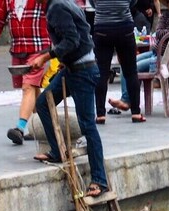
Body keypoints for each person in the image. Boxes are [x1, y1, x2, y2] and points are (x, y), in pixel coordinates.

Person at [30, 0, 110, 198]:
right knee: (43, 103)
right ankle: (57, 151)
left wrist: (46, 57)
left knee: (87, 126)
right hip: (73, 69)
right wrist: (62, 60)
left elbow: (72, 40)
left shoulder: (57, 6)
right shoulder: (63, 4)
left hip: (83, 72)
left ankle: (99, 179)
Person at [109, 0, 169, 115]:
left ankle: (126, 101)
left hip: (166, 58)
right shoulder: (166, 16)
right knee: (127, 63)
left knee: (131, 67)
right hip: (156, 53)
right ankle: (127, 99)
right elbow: (159, 33)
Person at [0, 0, 51, 144]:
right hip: (19, 49)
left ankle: (20, 128)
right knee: (33, 88)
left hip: (39, 49)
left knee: (28, 87)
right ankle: (41, 127)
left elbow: (55, 13)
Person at [92, 0, 144, 123]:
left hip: (102, 28)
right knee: (131, 71)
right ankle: (136, 113)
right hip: (124, 28)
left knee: (101, 73)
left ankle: (100, 114)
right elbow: (133, 2)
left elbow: (93, 3)